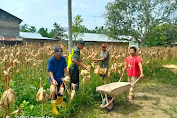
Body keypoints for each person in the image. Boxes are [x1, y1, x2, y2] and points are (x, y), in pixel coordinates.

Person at [47, 46, 67, 115]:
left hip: (61, 79)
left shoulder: (63, 58)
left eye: (60, 53)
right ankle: (54, 108)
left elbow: (65, 68)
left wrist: (66, 77)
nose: (59, 55)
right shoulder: (51, 60)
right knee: (54, 94)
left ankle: (59, 104)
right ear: (54, 53)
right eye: (58, 53)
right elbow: (50, 71)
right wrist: (53, 79)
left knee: (61, 93)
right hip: (54, 79)